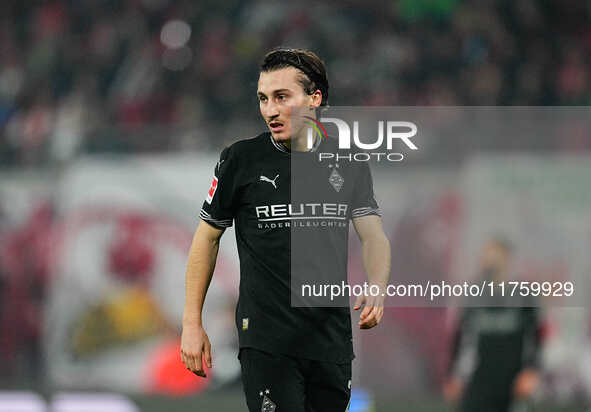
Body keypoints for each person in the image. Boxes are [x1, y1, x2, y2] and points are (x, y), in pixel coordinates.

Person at [180, 48, 391, 412]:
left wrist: (378, 286)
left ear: (315, 98)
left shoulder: (348, 159)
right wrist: (191, 322)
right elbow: (207, 236)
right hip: (266, 340)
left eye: (281, 97)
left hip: (330, 340)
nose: (270, 110)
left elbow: (372, 234)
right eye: (263, 98)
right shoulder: (240, 161)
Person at [443, 236, 541, 412]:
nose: (489, 261)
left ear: (506, 258)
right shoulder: (474, 294)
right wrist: (453, 375)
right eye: (486, 255)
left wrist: (531, 371)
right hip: (480, 379)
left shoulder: (522, 294)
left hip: (512, 382)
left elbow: (535, 336)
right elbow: (460, 337)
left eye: (495, 255)